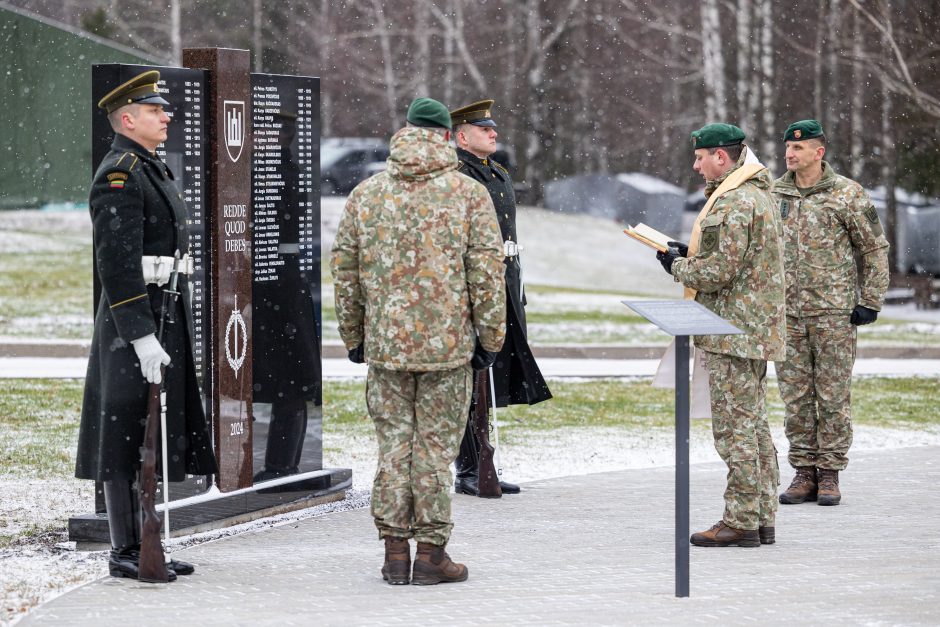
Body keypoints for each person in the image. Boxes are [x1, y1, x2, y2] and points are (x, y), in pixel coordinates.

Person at [331, 97, 506, 585]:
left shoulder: (367, 194)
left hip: (386, 346)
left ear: (404, 133)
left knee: (393, 447)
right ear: (448, 136)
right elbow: (487, 275)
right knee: (433, 450)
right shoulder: (470, 195)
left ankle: (393, 553)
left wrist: (355, 336)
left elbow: (345, 273)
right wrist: (490, 338)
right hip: (448, 349)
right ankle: (431, 553)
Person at [75, 70, 218, 580]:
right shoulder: (120, 174)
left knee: (150, 430)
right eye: (156, 110)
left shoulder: (150, 168)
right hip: (131, 318)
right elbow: (115, 264)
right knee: (124, 431)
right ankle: (124, 547)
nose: (167, 115)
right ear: (128, 118)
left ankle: (147, 537)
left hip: (164, 309)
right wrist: (138, 334)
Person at [656, 123, 785, 547]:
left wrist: (675, 266)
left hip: (733, 331)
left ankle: (741, 520)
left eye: (700, 157)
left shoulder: (735, 202)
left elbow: (718, 272)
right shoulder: (755, 194)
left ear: (722, 157)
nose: (696, 166)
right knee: (755, 427)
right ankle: (761, 516)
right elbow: (731, 261)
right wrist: (687, 253)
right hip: (747, 329)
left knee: (735, 432)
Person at [772, 120, 890, 507]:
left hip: (834, 314)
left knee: (833, 396)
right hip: (788, 313)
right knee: (795, 397)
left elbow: (873, 248)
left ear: (819, 152)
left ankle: (830, 474)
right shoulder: (775, 193)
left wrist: (870, 300)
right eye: (788, 147)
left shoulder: (847, 194)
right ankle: (803, 471)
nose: (790, 154)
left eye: (799, 149)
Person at [449, 99, 552, 497]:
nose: (494, 133)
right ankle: (469, 468)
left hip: (506, 282)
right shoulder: (458, 175)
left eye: (493, 128)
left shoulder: (497, 173)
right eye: (483, 128)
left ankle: (483, 461)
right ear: (461, 136)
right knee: (470, 380)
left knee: (491, 377)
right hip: (478, 286)